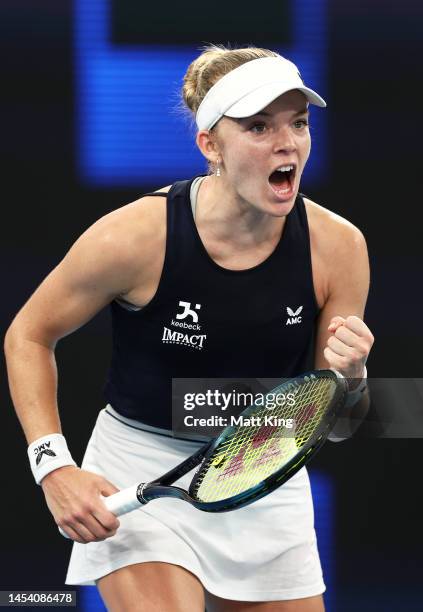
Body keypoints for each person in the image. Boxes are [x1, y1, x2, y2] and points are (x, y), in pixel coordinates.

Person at [4, 45, 374, 612]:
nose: (288, 143)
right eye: (258, 127)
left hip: (261, 473)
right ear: (210, 145)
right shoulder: (132, 237)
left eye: (299, 123)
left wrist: (353, 377)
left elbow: (339, 425)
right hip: (140, 469)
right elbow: (28, 335)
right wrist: (54, 467)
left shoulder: (340, 248)